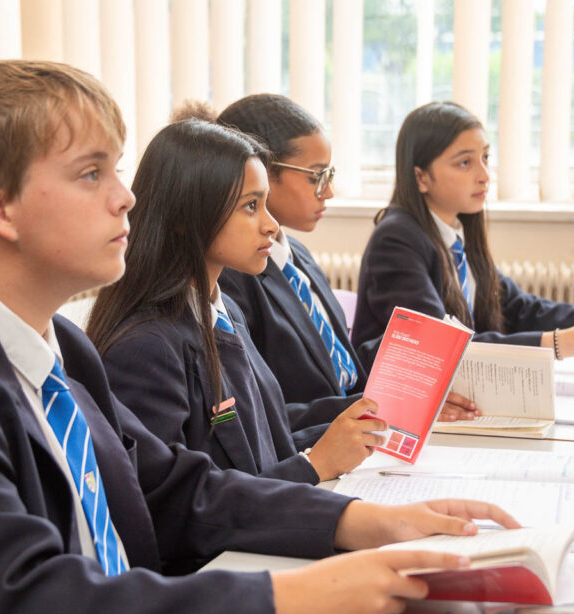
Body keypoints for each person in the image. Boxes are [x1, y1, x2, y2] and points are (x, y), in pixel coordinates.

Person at [0, 61, 517, 614]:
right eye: (92, 174)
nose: (125, 197)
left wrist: (364, 522)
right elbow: (27, 601)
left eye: (117, 170)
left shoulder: (59, 342)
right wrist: (291, 601)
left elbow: (180, 489)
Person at [87, 116, 383, 484]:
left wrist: (348, 436)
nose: (271, 225)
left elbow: (264, 449)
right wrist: (313, 466)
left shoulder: (225, 312)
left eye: (265, 204)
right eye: (250, 207)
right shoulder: (146, 348)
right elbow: (180, 504)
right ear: (185, 214)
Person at [216, 94, 480, 422]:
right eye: (317, 176)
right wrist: (377, 408)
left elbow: (344, 371)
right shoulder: (232, 277)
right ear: (262, 173)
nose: (329, 191)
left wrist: (412, 375)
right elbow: (260, 414)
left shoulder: (298, 255)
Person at [352, 101, 574, 367]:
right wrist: (562, 344)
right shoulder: (396, 240)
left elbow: (519, 308)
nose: (484, 175)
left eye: (486, 158)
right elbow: (437, 346)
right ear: (421, 177)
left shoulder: (454, 234)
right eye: (465, 162)